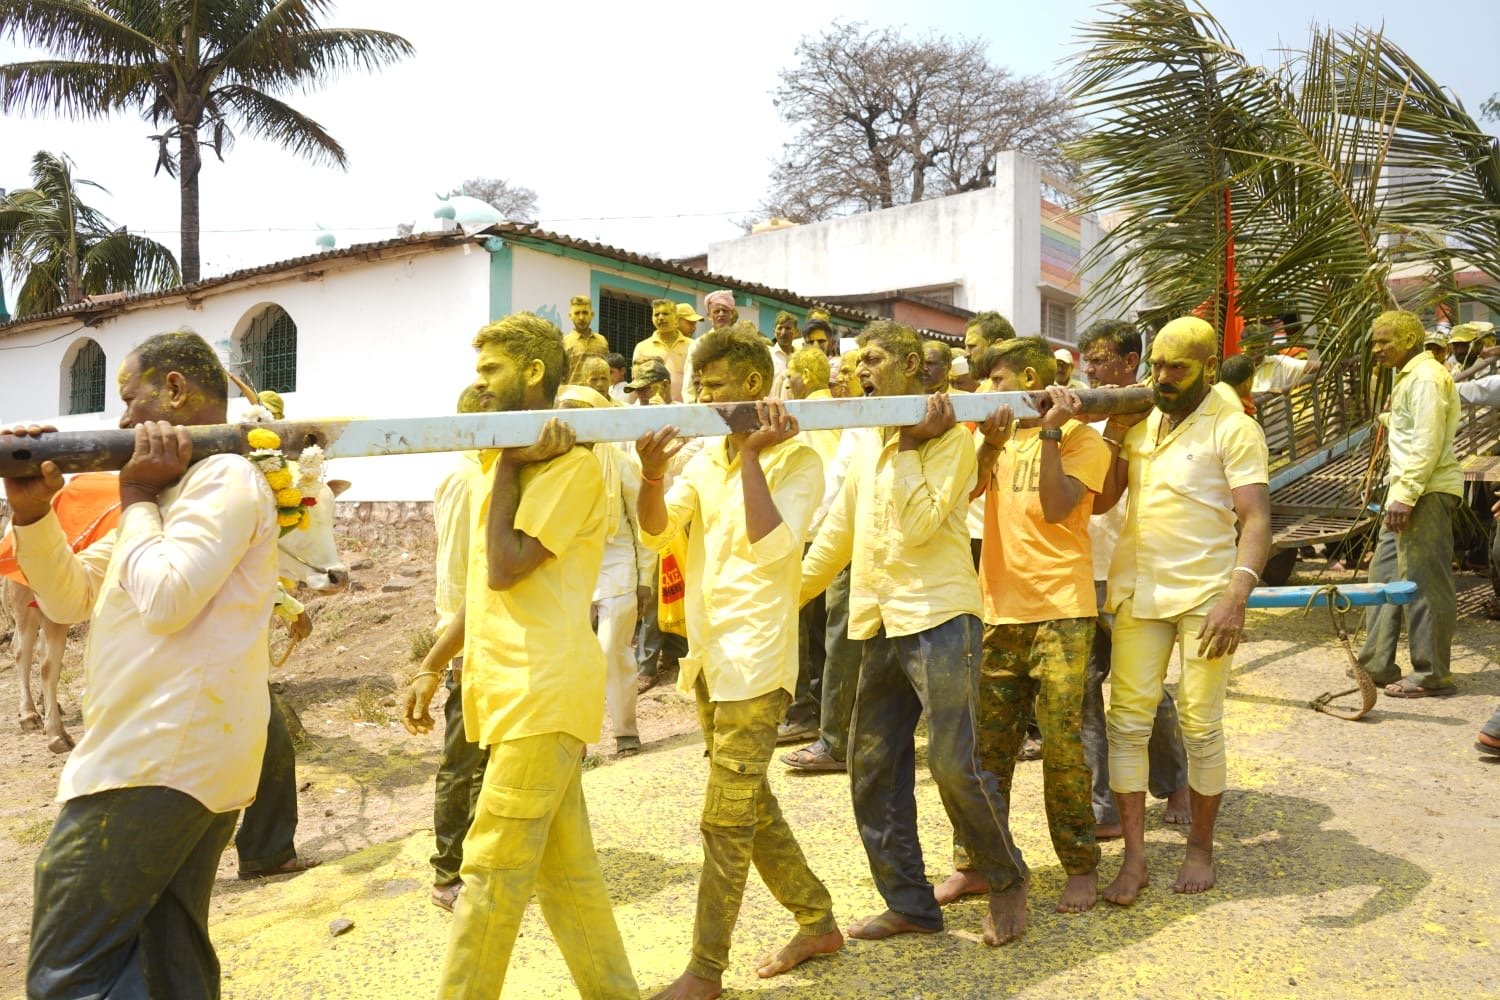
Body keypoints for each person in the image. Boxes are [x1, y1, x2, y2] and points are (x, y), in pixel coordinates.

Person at [6, 330, 280, 998]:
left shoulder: (224, 478)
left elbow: (164, 596)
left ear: (174, 391)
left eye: (131, 399)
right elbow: (70, 599)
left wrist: (132, 498)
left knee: (72, 973)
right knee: (166, 963)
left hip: (156, 762)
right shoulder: (164, 496)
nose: (124, 419)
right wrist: (32, 510)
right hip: (165, 759)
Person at [403, 312, 636, 999]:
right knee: (568, 882)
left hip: (543, 691)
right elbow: (484, 593)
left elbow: (506, 567)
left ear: (533, 372)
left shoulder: (570, 463)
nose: (478, 386)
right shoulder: (502, 462)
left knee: (490, 874)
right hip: (508, 691)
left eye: (491, 372)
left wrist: (510, 461)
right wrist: (431, 661)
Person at [801, 319, 1031, 946]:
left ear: (909, 363)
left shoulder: (949, 441)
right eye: (858, 361)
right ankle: (910, 902)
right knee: (871, 768)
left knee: (954, 766)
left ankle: (1007, 881)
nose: (861, 369)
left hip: (940, 618)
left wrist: (909, 446)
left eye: (874, 358)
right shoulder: (869, 439)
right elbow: (837, 534)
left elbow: (924, 525)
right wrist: (789, 595)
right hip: (881, 621)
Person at [636, 325, 841, 1000]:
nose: (703, 397)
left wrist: (754, 456)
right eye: (699, 385)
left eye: (715, 385)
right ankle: (817, 919)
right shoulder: (705, 459)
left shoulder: (800, 459)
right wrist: (652, 473)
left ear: (755, 386)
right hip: (710, 659)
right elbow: (657, 531)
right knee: (751, 807)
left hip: (757, 664)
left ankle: (705, 971)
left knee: (724, 819)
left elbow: (776, 551)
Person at [1093, 315, 1270, 905]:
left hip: (1205, 595)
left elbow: (1257, 519)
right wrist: (1116, 432)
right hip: (1140, 588)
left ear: (1209, 369)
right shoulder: (1145, 418)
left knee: (1199, 721)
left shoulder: (1234, 427)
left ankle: (1200, 846)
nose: (1162, 378)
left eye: (1177, 368)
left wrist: (1236, 596)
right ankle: (1136, 859)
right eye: (1157, 366)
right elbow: (1103, 499)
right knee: (1126, 721)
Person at [933, 338, 1108, 915]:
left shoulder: (1085, 440)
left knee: (1062, 747)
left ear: (1030, 377)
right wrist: (989, 444)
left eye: (998, 379)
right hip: (999, 610)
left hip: (1063, 610)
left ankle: (1079, 865)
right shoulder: (997, 436)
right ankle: (980, 863)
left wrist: (1052, 432)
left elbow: (1058, 508)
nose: (987, 391)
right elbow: (970, 491)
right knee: (987, 749)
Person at [1075, 319, 1190, 837]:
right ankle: (1102, 805)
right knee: (1083, 687)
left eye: (1100, 360)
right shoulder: (1084, 413)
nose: (1091, 370)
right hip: (1080, 565)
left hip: (1130, 567)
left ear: (1129, 363)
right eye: (1087, 361)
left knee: (1139, 686)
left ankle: (1175, 780)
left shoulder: (1155, 415)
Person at [1358, 309, 1463, 698]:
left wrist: (1405, 495)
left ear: (1408, 341)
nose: (1377, 348)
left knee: (1424, 582)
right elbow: (1411, 427)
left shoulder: (1426, 378)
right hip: (1405, 490)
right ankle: (1377, 663)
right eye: (1375, 341)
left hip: (1423, 492)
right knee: (1383, 575)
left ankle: (1432, 673)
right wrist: (1386, 416)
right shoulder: (1410, 378)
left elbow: (1428, 441)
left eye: (1384, 341)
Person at [419, 385, 491, 912]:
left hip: (477, 632)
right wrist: (450, 650)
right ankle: (449, 872)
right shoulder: (470, 479)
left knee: (480, 759)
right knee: (463, 761)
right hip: (471, 636)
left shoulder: (477, 474)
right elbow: (466, 574)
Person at [557, 383, 652, 756]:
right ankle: (576, 736)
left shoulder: (621, 461)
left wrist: (646, 578)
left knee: (612, 647)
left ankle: (625, 730)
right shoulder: (551, 461)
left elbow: (642, 524)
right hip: (569, 564)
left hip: (615, 560)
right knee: (571, 651)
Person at [635, 298, 692, 402]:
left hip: (685, 408)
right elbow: (637, 381)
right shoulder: (642, 347)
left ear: (676, 318)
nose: (660, 318)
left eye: (665, 314)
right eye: (656, 315)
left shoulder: (692, 345)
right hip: (652, 407)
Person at [1243, 324, 1319, 393]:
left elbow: (1308, 366)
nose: (1257, 353)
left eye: (1261, 347)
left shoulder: (1279, 362)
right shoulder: (1236, 368)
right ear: (1242, 346)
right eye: (1252, 348)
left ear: (1269, 344)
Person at [562, 294, 609, 378]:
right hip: (573, 391)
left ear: (592, 315)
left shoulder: (602, 341)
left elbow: (607, 373)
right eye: (577, 313)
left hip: (596, 391)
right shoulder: (564, 343)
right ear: (570, 316)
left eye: (585, 312)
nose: (581, 317)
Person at [963, 310, 1016, 374]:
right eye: (965, 347)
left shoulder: (1015, 383)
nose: (966, 354)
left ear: (998, 345)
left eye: (972, 346)